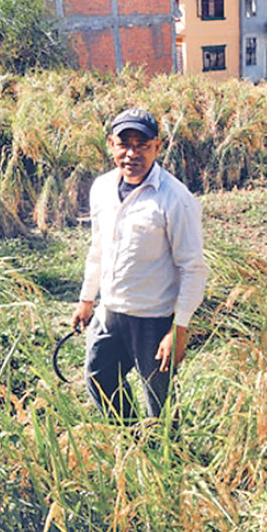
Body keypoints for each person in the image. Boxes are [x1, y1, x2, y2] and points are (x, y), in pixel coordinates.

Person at [72, 108, 208, 422]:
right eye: (124, 144)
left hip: (153, 318)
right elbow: (98, 247)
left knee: (159, 401)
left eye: (142, 145)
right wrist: (86, 299)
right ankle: (133, 438)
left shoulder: (175, 198)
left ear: (157, 147)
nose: (132, 153)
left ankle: (169, 458)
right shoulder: (102, 188)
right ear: (111, 145)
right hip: (110, 312)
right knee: (98, 378)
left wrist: (179, 328)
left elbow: (193, 267)